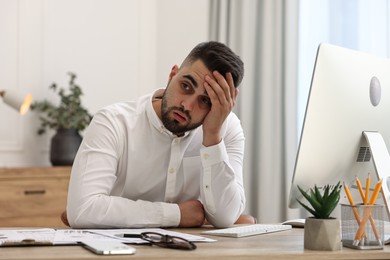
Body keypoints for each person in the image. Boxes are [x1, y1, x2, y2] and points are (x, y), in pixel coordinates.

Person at [66, 41, 249, 229]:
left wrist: (212, 137)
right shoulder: (113, 122)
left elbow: (225, 217)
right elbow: (83, 210)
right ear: (172, 75)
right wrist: (176, 215)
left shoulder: (226, 130)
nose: (187, 105)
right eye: (186, 86)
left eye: (205, 100)